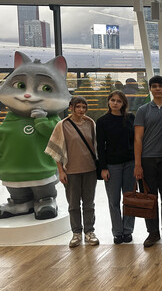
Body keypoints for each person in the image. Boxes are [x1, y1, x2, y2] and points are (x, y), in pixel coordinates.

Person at [133, 75, 162, 248]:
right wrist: (138, 164)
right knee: (149, 198)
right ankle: (152, 232)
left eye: (161, 85)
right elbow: (138, 139)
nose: (157, 89)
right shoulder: (143, 110)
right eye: (154, 86)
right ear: (150, 89)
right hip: (147, 160)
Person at [47, 96, 99, 248]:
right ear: (71, 107)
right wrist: (61, 172)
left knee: (89, 204)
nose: (81, 110)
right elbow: (55, 150)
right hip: (71, 171)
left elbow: (95, 145)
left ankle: (89, 232)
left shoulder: (90, 123)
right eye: (78, 106)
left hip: (90, 170)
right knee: (73, 204)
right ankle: (76, 233)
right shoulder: (62, 125)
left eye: (84, 107)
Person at [96, 90, 136, 245]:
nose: (115, 103)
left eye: (119, 101)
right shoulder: (102, 121)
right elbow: (100, 146)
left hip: (130, 163)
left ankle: (128, 230)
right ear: (108, 101)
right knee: (114, 200)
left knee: (129, 198)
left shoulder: (130, 118)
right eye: (112, 100)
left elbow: (136, 141)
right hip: (112, 166)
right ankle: (117, 232)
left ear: (123, 103)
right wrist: (103, 168)